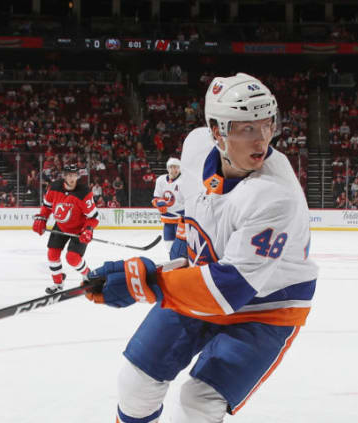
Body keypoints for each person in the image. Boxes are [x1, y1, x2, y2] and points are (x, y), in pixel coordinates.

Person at [85, 73, 318, 422]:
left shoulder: (274, 195)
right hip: (207, 283)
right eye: (247, 128)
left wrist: (144, 285)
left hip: (268, 306)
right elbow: (195, 225)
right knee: (135, 385)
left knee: (198, 403)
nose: (263, 139)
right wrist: (150, 270)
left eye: (268, 125)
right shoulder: (195, 148)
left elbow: (228, 289)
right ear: (216, 131)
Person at [32, 163, 99, 294]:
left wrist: (88, 229)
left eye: (74, 175)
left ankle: (88, 275)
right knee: (52, 255)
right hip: (61, 226)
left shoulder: (84, 192)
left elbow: (93, 218)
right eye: (68, 175)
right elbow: (47, 207)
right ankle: (58, 283)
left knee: (72, 258)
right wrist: (42, 218)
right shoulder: (55, 187)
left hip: (79, 229)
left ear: (78, 176)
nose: (71, 178)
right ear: (64, 176)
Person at [151, 157, 185, 255]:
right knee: (169, 244)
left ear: (179, 169)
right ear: (167, 168)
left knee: (181, 245)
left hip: (181, 219)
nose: (173, 170)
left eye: (176, 167)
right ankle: (172, 258)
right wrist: (158, 203)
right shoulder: (160, 180)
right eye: (171, 167)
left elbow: (189, 200)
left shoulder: (184, 181)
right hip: (167, 218)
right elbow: (155, 197)